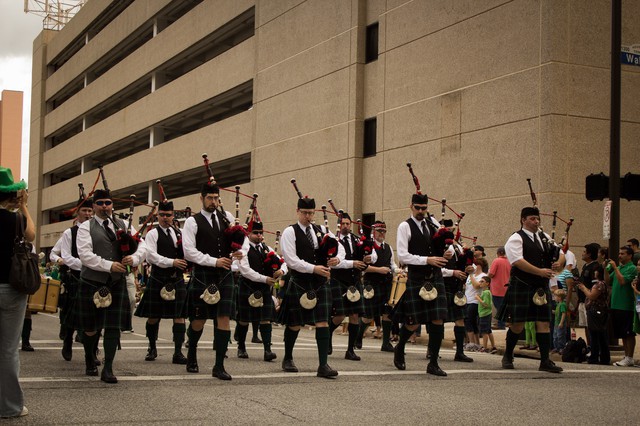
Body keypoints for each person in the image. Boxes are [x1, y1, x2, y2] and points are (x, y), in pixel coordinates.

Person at [76, 189, 146, 383]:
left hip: (116, 282)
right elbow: (84, 255)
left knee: (113, 327)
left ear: (112, 204)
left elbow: (143, 245)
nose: (104, 206)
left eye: (108, 202)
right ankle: (90, 357)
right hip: (92, 281)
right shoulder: (85, 227)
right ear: (94, 206)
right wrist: (109, 265)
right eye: (100, 203)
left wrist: (134, 258)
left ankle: (108, 367)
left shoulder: (123, 224)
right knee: (90, 327)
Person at [182, 181, 241, 380]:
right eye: (210, 198)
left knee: (223, 318)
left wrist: (239, 252)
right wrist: (214, 261)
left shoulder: (227, 218)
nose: (213, 202)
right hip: (204, 274)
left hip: (224, 275)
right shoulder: (192, 221)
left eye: (216, 198)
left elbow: (240, 242)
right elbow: (189, 252)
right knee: (198, 319)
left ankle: (219, 366)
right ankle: (191, 354)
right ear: (202, 198)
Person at [279, 195, 343, 378]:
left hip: (320, 284)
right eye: (305, 213)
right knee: (295, 324)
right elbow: (291, 260)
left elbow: (339, 247)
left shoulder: (321, 230)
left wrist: (336, 259)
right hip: (300, 282)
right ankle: (288, 358)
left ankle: (323, 365)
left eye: (311, 213)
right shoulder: (290, 232)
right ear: (297, 211)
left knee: (322, 321)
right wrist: (313, 268)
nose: (308, 216)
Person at [497, 206, 564, 373]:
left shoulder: (544, 236)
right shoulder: (515, 238)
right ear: (523, 220)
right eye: (532, 219)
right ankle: (507, 355)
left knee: (543, 324)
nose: (536, 222)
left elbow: (560, 252)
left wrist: (559, 262)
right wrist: (540, 271)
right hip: (522, 285)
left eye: (537, 218)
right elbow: (517, 261)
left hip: (540, 286)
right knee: (517, 325)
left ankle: (545, 361)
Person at [395, 192, 452, 376]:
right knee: (413, 322)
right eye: (417, 208)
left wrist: (449, 251)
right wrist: (427, 260)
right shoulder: (405, 226)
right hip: (417, 278)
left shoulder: (433, 224)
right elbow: (402, 256)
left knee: (438, 319)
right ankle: (400, 347)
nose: (421, 211)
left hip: (435, 277)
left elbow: (448, 243)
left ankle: (433, 363)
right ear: (410, 206)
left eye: (424, 208)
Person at [134, 200, 189, 365]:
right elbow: (151, 256)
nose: (165, 218)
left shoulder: (180, 233)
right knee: (153, 316)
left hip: (176, 279)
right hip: (159, 278)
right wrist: (172, 262)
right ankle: (151, 347)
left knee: (179, 316)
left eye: (168, 215)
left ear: (173, 216)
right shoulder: (153, 234)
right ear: (157, 215)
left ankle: (178, 352)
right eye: (162, 215)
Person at [0, 167, 34, 418]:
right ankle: (9, 407)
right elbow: (31, 235)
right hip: (11, 288)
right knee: (9, 349)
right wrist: (23, 207)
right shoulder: (15, 220)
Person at [235, 221, 286, 361]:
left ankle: (267, 350)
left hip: (263, 289)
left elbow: (283, 261)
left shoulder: (266, 248)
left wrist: (281, 270)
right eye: (255, 233)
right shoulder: (243, 249)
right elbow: (245, 270)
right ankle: (241, 347)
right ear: (249, 234)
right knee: (244, 319)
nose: (259, 236)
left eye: (260, 233)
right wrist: (264, 279)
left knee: (266, 319)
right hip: (248, 286)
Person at [58, 192, 96, 362]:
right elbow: (65, 256)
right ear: (77, 212)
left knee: (95, 317)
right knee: (71, 314)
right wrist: (86, 265)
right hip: (75, 277)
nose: (87, 214)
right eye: (84, 211)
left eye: (90, 211)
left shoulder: (96, 230)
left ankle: (93, 351)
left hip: (94, 278)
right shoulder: (69, 233)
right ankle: (67, 341)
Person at [328, 213, 370, 361]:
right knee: (339, 315)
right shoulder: (333, 240)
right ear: (339, 224)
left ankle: (350, 350)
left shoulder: (356, 240)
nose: (346, 226)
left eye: (348, 223)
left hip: (354, 281)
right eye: (343, 223)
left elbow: (364, 258)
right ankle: (327, 334)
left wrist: (367, 258)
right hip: (339, 280)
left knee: (354, 315)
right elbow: (334, 262)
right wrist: (353, 263)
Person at [359, 221, 398, 352]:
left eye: (384, 231)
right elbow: (363, 268)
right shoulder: (369, 247)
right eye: (379, 231)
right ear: (374, 232)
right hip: (372, 284)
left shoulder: (388, 248)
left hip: (386, 284)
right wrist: (379, 270)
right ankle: (358, 337)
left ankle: (386, 343)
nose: (382, 234)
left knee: (387, 312)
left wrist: (399, 271)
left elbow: (392, 265)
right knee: (368, 315)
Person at [438, 219, 473, 362]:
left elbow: (468, 265)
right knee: (438, 320)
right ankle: (432, 349)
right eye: (448, 229)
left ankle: (459, 352)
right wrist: (453, 273)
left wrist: (470, 269)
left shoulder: (458, 247)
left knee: (460, 319)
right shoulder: (438, 246)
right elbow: (437, 269)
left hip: (456, 287)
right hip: (442, 285)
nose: (451, 231)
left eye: (452, 229)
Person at [605, 246, 638, 367]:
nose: (619, 256)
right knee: (622, 333)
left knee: (628, 333)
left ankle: (630, 356)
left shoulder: (632, 268)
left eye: (622, 254)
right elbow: (608, 281)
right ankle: (626, 356)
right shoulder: (619, 268)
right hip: (616, 304)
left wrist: (614, 267)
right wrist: (605, 269)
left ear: (630, 256)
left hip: (626, 305)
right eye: (619, 253)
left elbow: (622, 281)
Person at [577, 266, 609, 365]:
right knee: (599, 335)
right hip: (597, 311)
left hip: (595, 312)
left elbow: (592, 296)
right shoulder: (601, 284)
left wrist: (583, 289)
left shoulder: (599, 284)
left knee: (595, 335)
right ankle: (603, 357)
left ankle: (595, 357)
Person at [465, 258, 487, 351]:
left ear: (478, 266)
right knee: (472, 322)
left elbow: (477, 286)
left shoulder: (483, 276)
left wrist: (470, 274)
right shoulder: (471, 276)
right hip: (467, 300)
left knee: (469, 321)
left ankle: (472, 343)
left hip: (475, 301)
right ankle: (476, 343)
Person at [488, 247, 511, 329]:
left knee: (499, 307)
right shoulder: (509, 262)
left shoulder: (496, 261)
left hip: (497, 288)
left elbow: (491, 274)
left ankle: (501, 325)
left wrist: (486, 277)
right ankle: (502, 323)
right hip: (506, 288)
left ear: (498, 253)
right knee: (503, 307)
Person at [475, 276, 496, 353]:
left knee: (484, 332)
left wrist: (478, 298)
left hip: (485, 314)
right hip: (484, 313)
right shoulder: (485, 292)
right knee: (488, 331)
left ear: (487, 283)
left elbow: (486, 304)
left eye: (482, 281)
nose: (480, 283)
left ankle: (485, 347)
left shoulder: (486, 292)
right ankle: (493, 346)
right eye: (480, 281)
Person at [552, 289, 567, 353]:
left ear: (559, 297)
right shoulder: (558, 304)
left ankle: (561, 347)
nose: (554, 297)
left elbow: (564, 313)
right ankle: (556, 347)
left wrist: (561, 323)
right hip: (556, 323)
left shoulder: (563, 304)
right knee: (555, 336)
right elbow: (557, 313)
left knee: (560, 336)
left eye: (555, 296)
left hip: (560, 324)